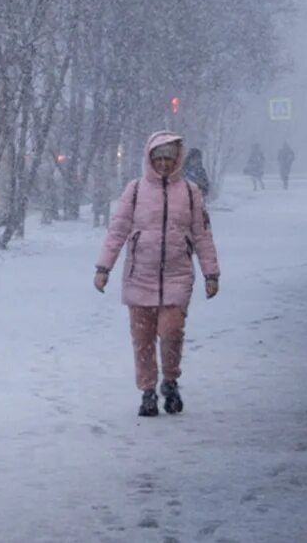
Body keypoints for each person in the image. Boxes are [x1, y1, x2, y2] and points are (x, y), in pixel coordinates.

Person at [93, 132, 221, 418]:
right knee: (142, 338)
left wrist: (211, 273)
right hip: (140, 276)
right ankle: (148, 391)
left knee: (172, 332)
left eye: (169, 158)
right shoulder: (135, 191)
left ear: (177, 160)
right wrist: (104, 268)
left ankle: (171, 380)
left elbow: (202, 235)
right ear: (150, 159)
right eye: (159, 158)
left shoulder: (190, 192)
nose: (164, 164)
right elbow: (117, 232)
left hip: (177, 276)